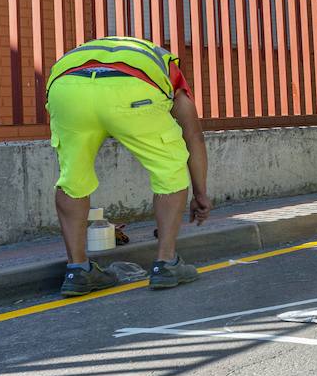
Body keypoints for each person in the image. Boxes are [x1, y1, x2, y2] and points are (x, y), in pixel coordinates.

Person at [45, 35, 211, 296]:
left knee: (72, 177)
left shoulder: (90, 52)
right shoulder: (166, 67)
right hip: (131, 88)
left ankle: (78, 269)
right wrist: (201, 195)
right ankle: (166, 263)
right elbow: (193, 136)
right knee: (170, 168)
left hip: (66, 88)